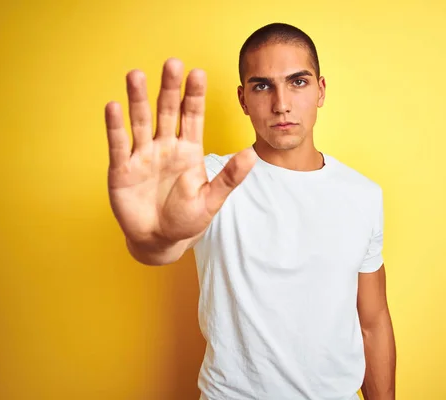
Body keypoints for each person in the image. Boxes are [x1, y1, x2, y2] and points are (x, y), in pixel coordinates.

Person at [104, 22, 396, 400]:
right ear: (243, 99)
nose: (282, 104)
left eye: (298, 82)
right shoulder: (210, 180)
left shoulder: (363, 195)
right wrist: (152, 239)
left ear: (321, 90)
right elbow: (162, 246)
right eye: (262, 86)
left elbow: (373, 323)